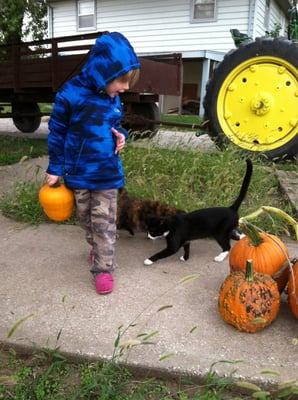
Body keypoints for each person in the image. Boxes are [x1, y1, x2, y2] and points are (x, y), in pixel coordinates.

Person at [45, 32, 140, 295]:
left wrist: (122, 135)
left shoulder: (113, 97)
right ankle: (97, 249)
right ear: (103, 71)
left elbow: (116, 126)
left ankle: (104, 268)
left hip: (107, 173)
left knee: (104, 224)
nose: (125, 88)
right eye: (121, 81)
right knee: (86, 221)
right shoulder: (71, 95)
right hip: (79, 173)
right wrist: (55, 167)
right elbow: (57, 132)